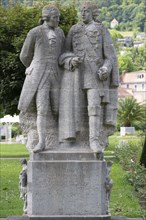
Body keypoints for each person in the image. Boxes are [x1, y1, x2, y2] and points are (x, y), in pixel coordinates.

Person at [59, 2, 119, 153]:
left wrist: (105, 68)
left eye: (86, 11)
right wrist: (71, 60)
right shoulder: (74, 30)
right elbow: (64, 53)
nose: (83, 14)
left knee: (94, 107)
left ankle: (94, 141)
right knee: (74, 110)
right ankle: (70, 139)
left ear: (93, 13)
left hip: (94, 75)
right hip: (76, 76)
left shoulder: (101, 29)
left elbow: (110, 56)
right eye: (81, 11)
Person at [18, 5, 65, 153]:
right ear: (47, 18)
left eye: (58, 17)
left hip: (57, 75)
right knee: (42, 109)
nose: (58, 20)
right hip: (40, 76)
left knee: (59, 107)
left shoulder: (60, 33)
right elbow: (24, 55)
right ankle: (41, 142)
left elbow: (64, 52)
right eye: (55, 17)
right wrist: (33, 65)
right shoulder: (35, 32)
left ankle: (62, 139)